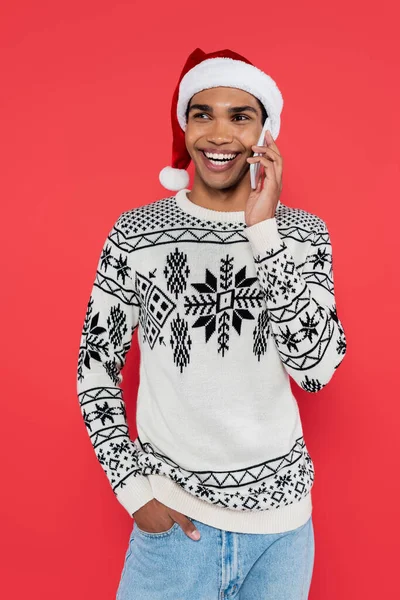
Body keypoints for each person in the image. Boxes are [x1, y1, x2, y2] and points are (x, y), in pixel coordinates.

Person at [76, 47, 347, 599]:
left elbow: (316, 369)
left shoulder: (303, 235)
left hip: (281, 531)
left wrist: (264, 232)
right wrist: (134, 492)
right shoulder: (136, 233)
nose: (219, 134)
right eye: (203, 114)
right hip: (174, 528)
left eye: (240, 116)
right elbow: (95, 368)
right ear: (185, 126)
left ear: (265, 133)